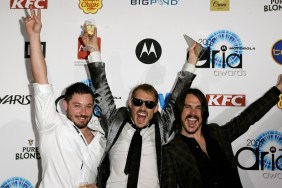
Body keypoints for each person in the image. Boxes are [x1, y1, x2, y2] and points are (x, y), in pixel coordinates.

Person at [81, 27, 200, 187]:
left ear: (156, 108)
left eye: (149, 104)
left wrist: (192, 61)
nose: (143, 108)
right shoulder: (115, 123)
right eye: (138, 102)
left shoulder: (161, 128)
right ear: (130, 103)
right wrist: (94, 50)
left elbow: (179, 94)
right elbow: (101, 88)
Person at [24, 7, 105, 188]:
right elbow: (42, 81)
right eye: (77, 106)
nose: (83, 112)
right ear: (65, 105)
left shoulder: (101, 138)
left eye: (88, 106)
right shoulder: (52, 125)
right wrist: (35, 37)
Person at [161, 75, 282, 188]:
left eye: (198, 108)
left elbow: (248, 117)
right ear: (179, 111)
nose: (193, 113)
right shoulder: (171, 151)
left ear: (203, 113)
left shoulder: (216, 132)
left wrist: (278, 89)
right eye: (188, 107)